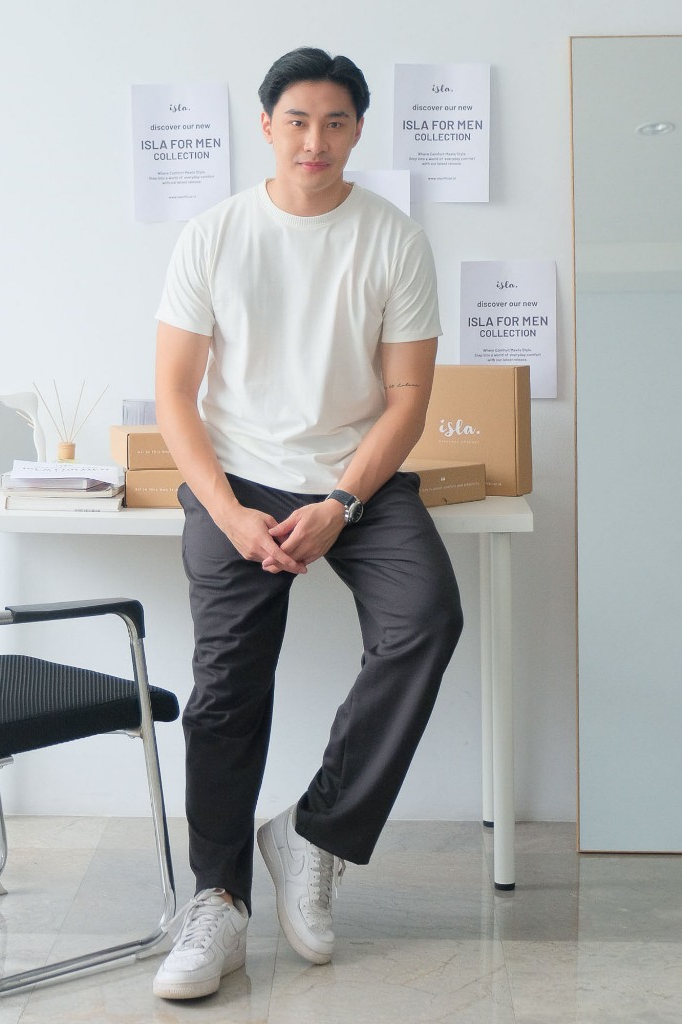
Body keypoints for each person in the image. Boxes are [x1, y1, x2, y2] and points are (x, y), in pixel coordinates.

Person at [151, 46, 463, 1001]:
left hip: (358, 482)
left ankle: (313, 832)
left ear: (359, 129)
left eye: (334, 122)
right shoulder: (213, 235)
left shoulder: (394, 239)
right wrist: (227, 511)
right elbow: (175, 394)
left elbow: (408, 399)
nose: (314, 140)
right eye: (296, 121)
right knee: (226, 684)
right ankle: (217, 900)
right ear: (266, 126)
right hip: (237, 479)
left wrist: (342, 504)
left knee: (427, 619)